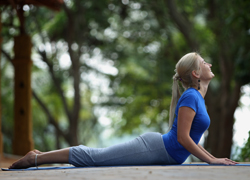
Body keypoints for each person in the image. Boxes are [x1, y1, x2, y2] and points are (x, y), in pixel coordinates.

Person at [9, 52, 238, 169]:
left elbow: (192, 139)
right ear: (196, 74)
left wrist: (213, 158)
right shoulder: (190, 96)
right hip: (155, 148)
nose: (209, 64)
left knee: (95, 158)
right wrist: (211, 161)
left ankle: (38, 156)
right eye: (204, 62)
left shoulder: (197, 97)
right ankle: (35, 158)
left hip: (162, 152)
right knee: (94, 158)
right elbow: (182, 138)